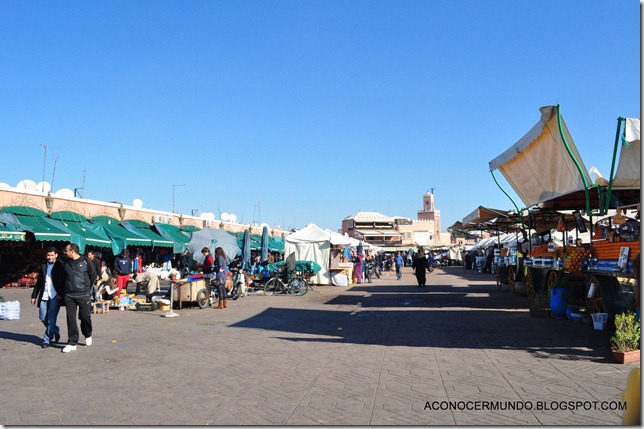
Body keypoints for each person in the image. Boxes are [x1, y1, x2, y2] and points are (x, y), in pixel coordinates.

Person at [62, 243, 97, 353]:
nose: (65, 252)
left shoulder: (85, 261)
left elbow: (93, 275)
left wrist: (87, 289)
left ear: (72, 251)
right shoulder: (65, 263)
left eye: (66, 250)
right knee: (70, 319)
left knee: (85, 316)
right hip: (69, 295)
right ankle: (72, 342)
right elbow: (62, 276)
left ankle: (87, 334)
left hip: (83, 294)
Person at [30, 247, 66, 348]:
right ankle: (55, 330)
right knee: (42, 317)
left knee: (51, 320)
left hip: (55, 296)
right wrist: (34, 296)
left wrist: (61, 295)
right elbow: (39, 282)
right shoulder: (43, 266)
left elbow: (64, 282)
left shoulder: (60, 266)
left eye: (51, 255)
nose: (50, 257)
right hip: (44, 295)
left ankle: (47, 340)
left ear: (56, 255)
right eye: (48, 255)